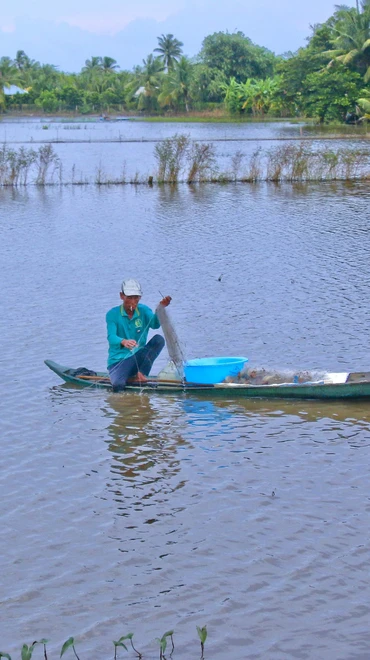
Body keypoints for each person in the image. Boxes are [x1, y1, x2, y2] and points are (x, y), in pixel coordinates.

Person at [106, 278, 171, 391]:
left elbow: (155, 324)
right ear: (122, 296)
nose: (133, 301)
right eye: (129, 297)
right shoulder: (112, 314)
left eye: (136, 298)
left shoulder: (144, 310)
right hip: (119, 360)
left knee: (158, 340)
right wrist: (123, 341)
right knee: (118, 385)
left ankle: (140, 374)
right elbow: (111, 337)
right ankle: (131, 377)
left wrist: (160, 308)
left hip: (138, 357)